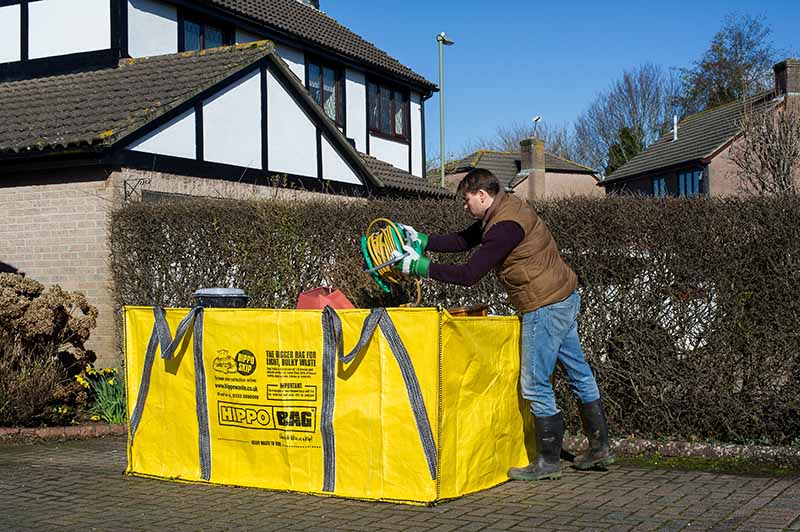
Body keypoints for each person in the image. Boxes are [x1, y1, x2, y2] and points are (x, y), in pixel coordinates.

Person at [392, 168, 614, 481]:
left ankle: (547, 463)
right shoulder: (505, 209)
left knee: (535, 383)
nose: (465, 206)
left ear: (482, 195)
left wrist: (418, 266)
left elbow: (470, 275)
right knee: (579, 372)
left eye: (467, 200)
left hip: (544, 305)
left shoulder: (505, 227)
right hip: (564, 296)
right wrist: (423, 240)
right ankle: (600, 447)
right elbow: (464, 239)